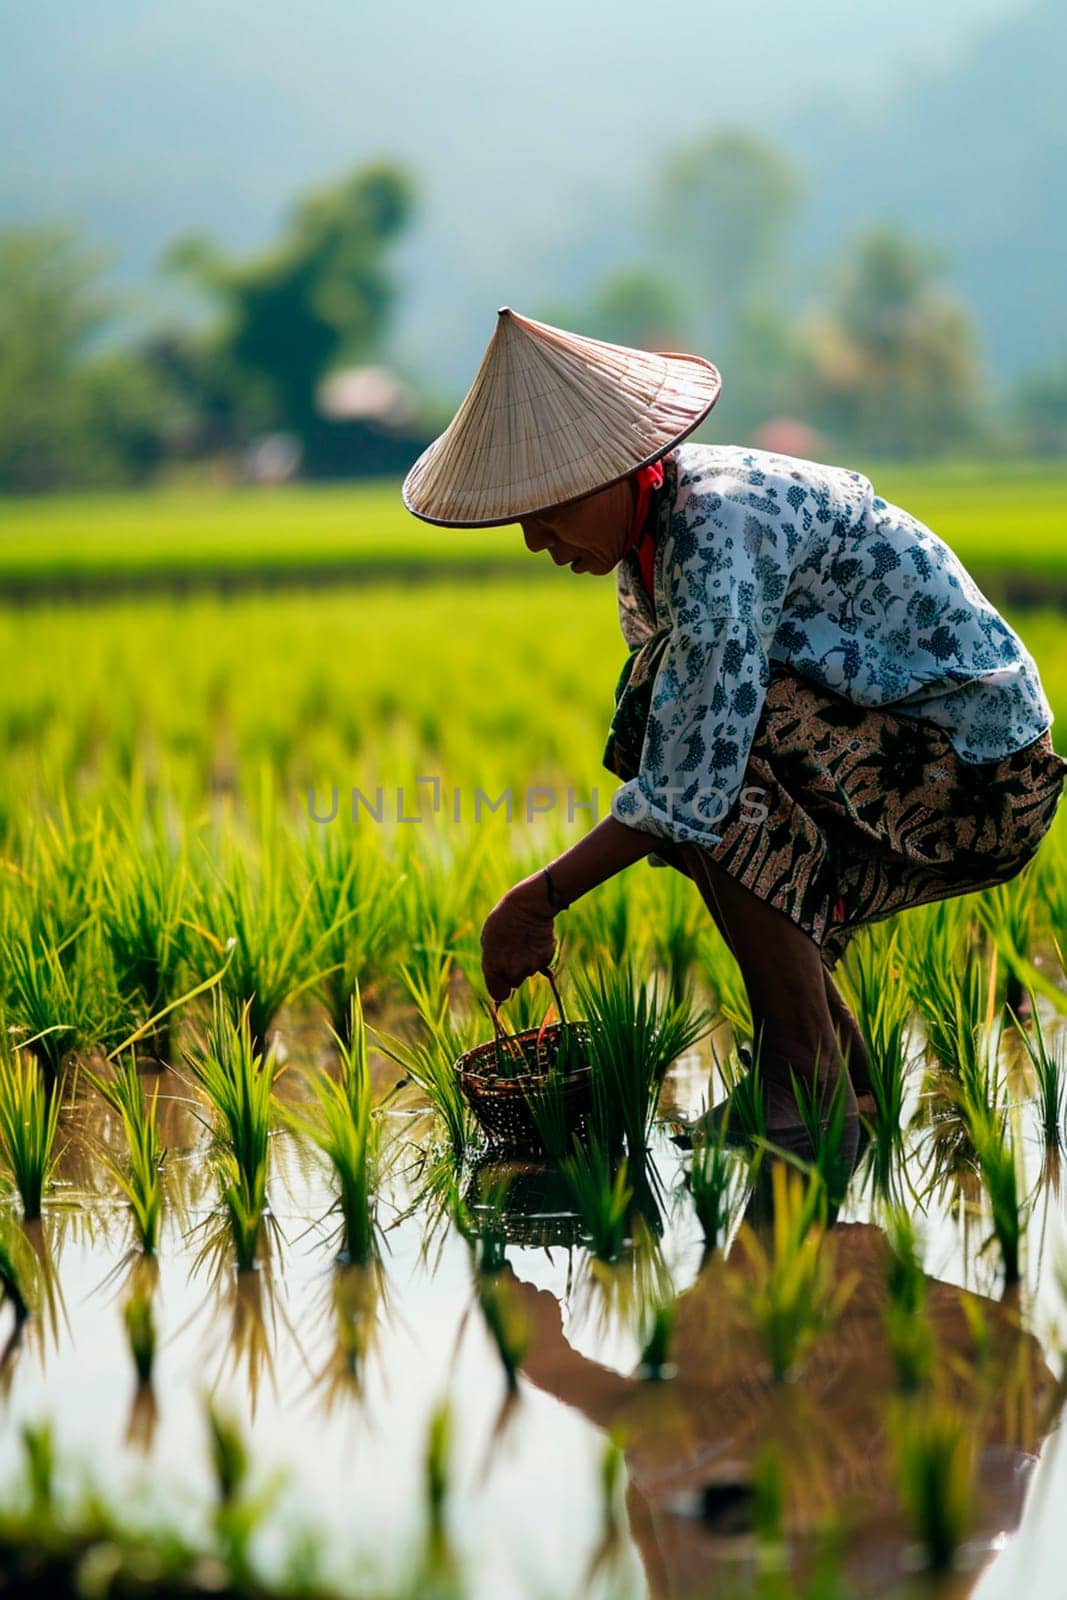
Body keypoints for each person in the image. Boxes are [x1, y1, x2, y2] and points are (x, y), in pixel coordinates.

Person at [402, 308, 1066, 1135]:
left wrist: (535, 900)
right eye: (522, 518)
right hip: (901, 752)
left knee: (695, 753)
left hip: (977, 777)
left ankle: (804, 1075)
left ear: (618, 469)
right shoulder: (658, 540)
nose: (536, 539)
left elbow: (690, 786)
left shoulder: (719, 529)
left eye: (549, 508)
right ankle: (836, 1063)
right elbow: (685, 772)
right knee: (670, 727)